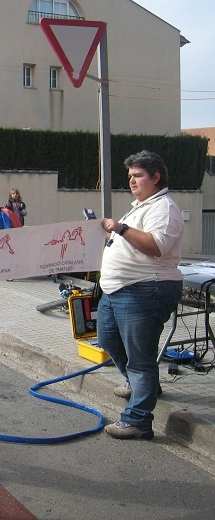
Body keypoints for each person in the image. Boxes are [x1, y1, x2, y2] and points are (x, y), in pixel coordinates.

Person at [97, 150, 184, 441]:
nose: (132, 181)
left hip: (145, 290)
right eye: (130, 176)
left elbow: (156, 245)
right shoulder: (140, 206)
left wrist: (120, 229)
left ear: (155, 177)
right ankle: (140, 385)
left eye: (138, 176)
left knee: (141, 358)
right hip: (118, 291)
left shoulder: (164, 207)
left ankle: (138, 420)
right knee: (108, 339)